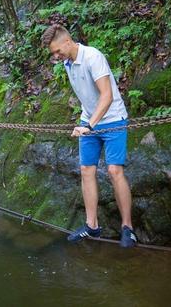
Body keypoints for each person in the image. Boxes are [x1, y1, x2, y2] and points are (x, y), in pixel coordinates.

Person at [41, 23, 137, 248]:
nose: (56, 56)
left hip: (112, 119)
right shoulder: (67, 63)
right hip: (89, 121)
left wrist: (90, 126)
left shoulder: (93, 57)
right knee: (86, 170)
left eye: (57, 51)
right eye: (53, 54)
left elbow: (107, 96)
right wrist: (87, 124)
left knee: (114, 171)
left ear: (67, 41)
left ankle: (128, 228)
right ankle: (92, 226)